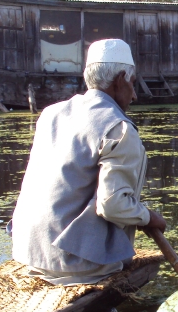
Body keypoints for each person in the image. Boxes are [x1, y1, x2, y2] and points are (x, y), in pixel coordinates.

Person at [10, 38, 166, 285]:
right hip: (76, 265)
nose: (134, 95)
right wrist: (148, 217)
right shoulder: (118, 128)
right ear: (121, 79)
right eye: (133, 84)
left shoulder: (50, 113)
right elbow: (112, 205)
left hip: (29, 253)